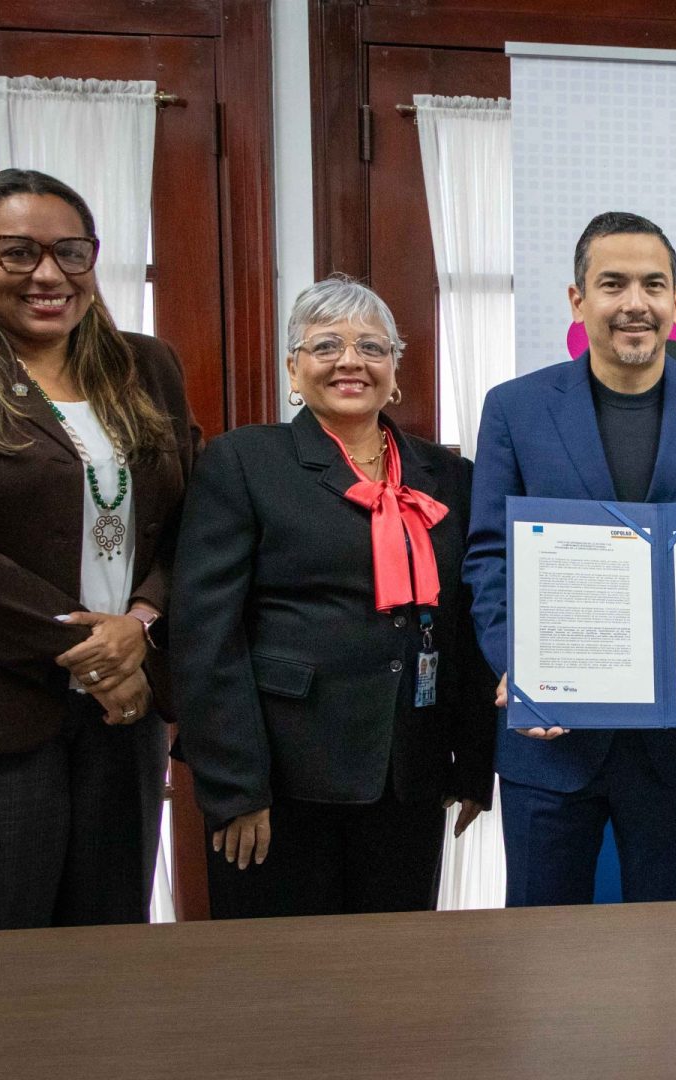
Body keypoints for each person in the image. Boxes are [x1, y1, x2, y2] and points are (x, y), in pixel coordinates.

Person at [466, 212, 676, 906]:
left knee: (670, 947)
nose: (635, 302)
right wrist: (518, 665)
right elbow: (489, 557)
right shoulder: (515, 409)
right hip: (550, 739)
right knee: (544, 945)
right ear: (578, 301)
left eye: (653, 284)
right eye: (613, 284)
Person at [0, 169, 196, 933]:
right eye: (18, 252)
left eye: (70, 252)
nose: (49, 275)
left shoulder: (146, 366)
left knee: (106, 956)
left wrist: (141, 624)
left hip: (123, 719)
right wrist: (95, 651)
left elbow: (191, 521)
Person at [170, 276, 494, 918]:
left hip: (409, 773)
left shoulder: (448, 475)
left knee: (393, 964)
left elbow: (465, 625)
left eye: (371, 347)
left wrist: (473, 762)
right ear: (294, 368)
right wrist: (236, 789)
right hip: (281, 780)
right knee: (280, 967)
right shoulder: (244, 462)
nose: (351, 361)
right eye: (326, 346)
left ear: (394, 369)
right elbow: (206, 637)